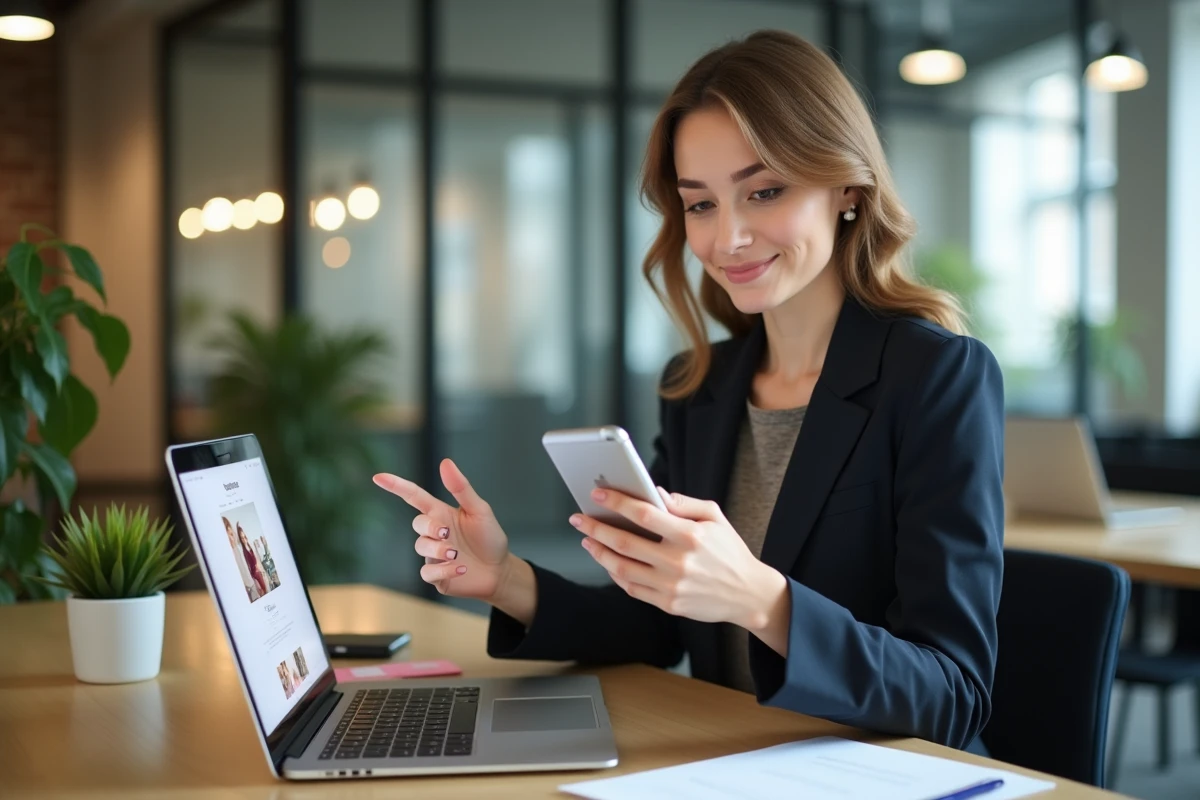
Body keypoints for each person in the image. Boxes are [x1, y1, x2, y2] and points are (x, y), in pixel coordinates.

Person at [373, 29, 1003, 752]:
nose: (727, 237)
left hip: (874, 773)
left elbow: (953, 694)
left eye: (764, 192)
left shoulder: (936, 378)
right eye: (700, 204)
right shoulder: (701, 386)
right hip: (728, 758)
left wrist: (763, 601)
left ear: (848, 192)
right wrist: (505, 578)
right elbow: (654, 623)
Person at [223, 516, 260, 602]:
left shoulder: (239, 548)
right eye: (227, 536)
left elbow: (248, 567)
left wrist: (255, 583)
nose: (231, 539)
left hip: (252, 587)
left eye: (231, 534)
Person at [239, 524, 269, 598]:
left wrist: (259, 569)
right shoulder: (244, 551)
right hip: (255, 574)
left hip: (258, 571)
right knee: (263, 591)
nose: (244, 540)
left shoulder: (250, 546)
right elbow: (248, 566)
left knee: (266, 589)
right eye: (242, 538)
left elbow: (256, 559)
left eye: (244, 537)